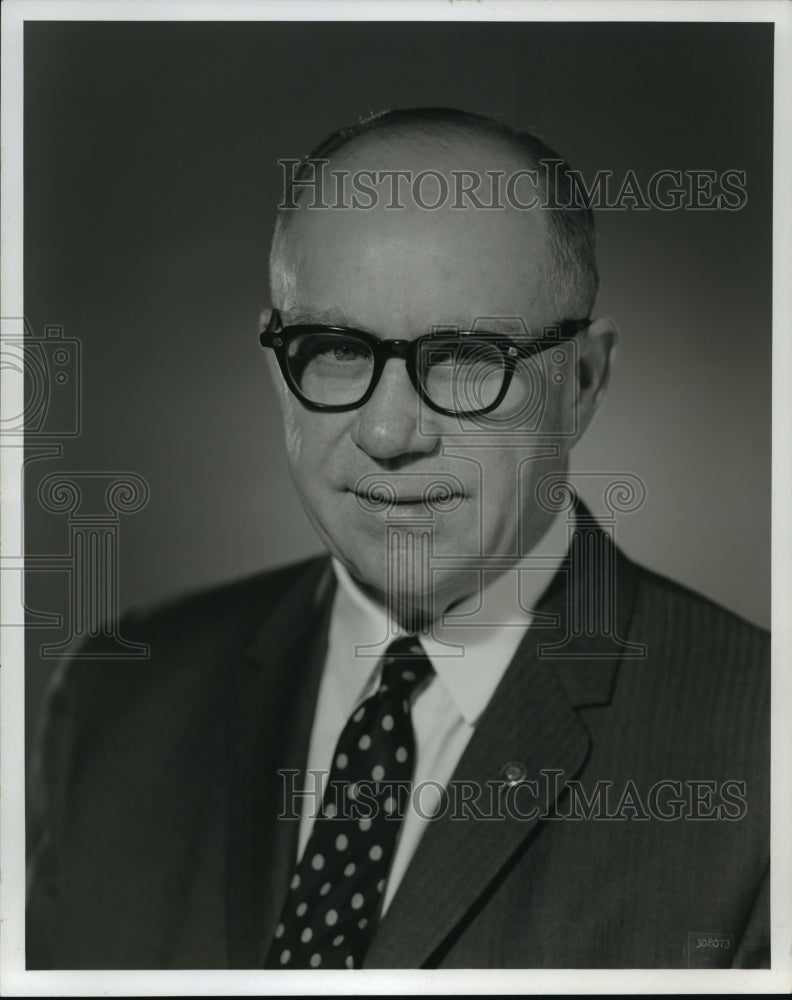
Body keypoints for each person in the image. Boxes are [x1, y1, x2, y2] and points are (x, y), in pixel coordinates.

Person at [26, 108, 769, 970]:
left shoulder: (758, 759)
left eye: (465, 357)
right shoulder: (119, 703)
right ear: (278, 371)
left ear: (582, 382)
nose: (388, 433)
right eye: (336, 348)